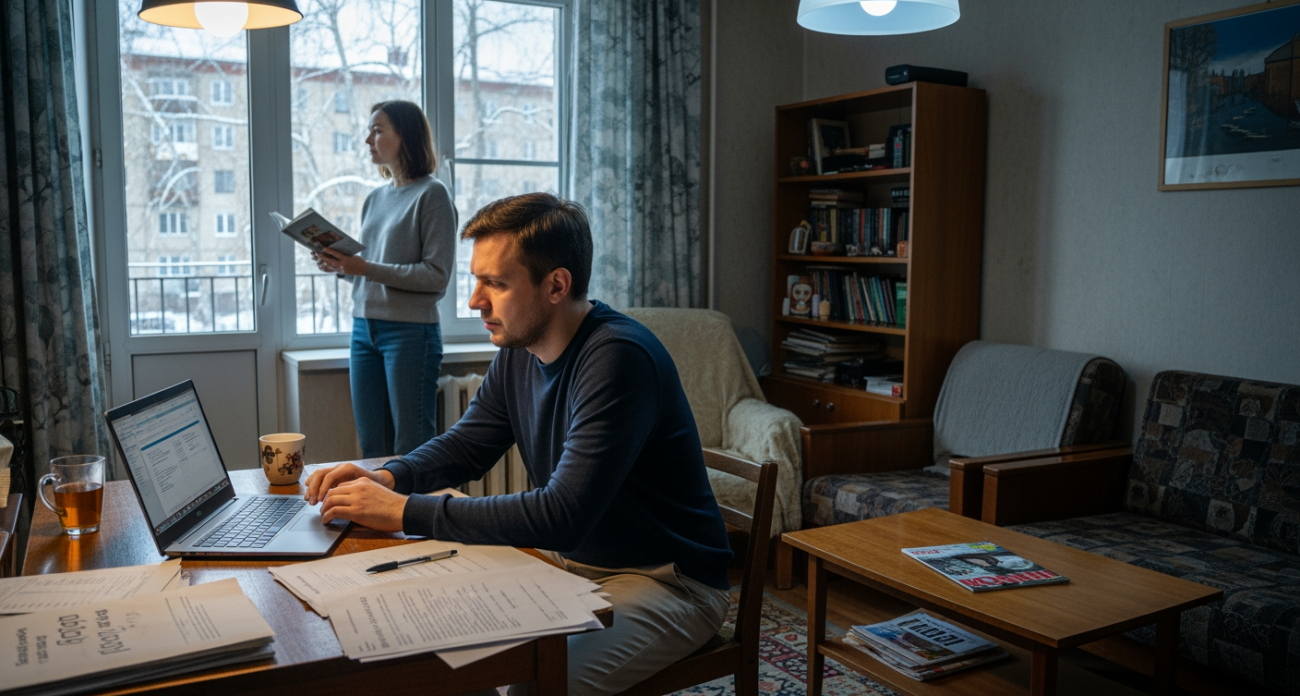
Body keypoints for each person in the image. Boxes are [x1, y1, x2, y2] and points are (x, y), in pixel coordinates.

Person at [304, 192, 733, 696]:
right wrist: (390, 476)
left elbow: (561, 515)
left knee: (532, 682)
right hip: (570, 561)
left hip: (667, 580)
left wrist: (404, 511)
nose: (473, 301)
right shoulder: (520, 348)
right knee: (440, 644)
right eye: (476, 281)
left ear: (556, 285)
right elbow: (469, 444)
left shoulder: (618, 358)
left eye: (496, 284)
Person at [314, 100, 456, 458]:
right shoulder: (375, 198)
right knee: (372, 445)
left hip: (410, 334)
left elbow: (436, 277)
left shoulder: (433, 195)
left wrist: (364, 268)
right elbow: (373, 274)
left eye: (377, 130)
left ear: (405, 136)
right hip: (363, 330)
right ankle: (372, 515)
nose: (368, 140)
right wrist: (342, 268)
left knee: (412, 446)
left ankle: (417, 515)